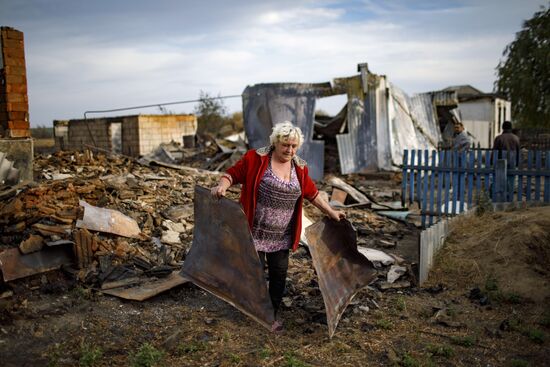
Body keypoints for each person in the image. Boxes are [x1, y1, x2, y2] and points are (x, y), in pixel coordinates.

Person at [211, 121, 345, 332]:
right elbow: (232, 174)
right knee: (254, 273)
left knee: (279, 274)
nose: (289, 150)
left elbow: (313, 194)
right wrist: (222, 186)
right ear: (275, 142)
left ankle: (270, 314)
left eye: (294, 146)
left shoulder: (299, 167)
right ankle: (253, 309)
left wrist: (331, 212)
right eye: (285, 145)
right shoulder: (256, 158)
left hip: (282, 235)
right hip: (253, 231)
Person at [493, 120, 520, 201]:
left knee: (500, 182)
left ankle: (501, 199)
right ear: (511, 128)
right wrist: (517, 163)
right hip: (512, 163)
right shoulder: (516, 138)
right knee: (511, 182)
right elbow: (518, 152)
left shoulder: (499, 138)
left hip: (500, 164)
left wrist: (492, 162)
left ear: (502, 128)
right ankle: (509, 199)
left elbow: (494, 152)